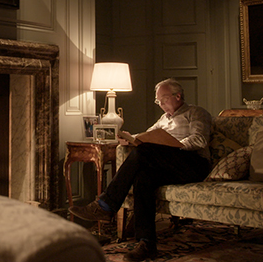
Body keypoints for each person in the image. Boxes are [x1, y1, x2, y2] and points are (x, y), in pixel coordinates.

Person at [69, 78, 211, 261]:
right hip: (169, 165)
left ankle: (105, 205)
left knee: (145, 151)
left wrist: (173, 146)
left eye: (163, 99)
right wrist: (130, 138)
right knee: (144, 178)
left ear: (178, 96)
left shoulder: (196, 112)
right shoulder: (164, 119)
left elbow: (200, 140)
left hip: (194, 164)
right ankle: (146, 244)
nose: (160, 104)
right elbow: (146, 136)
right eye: (157, 101)